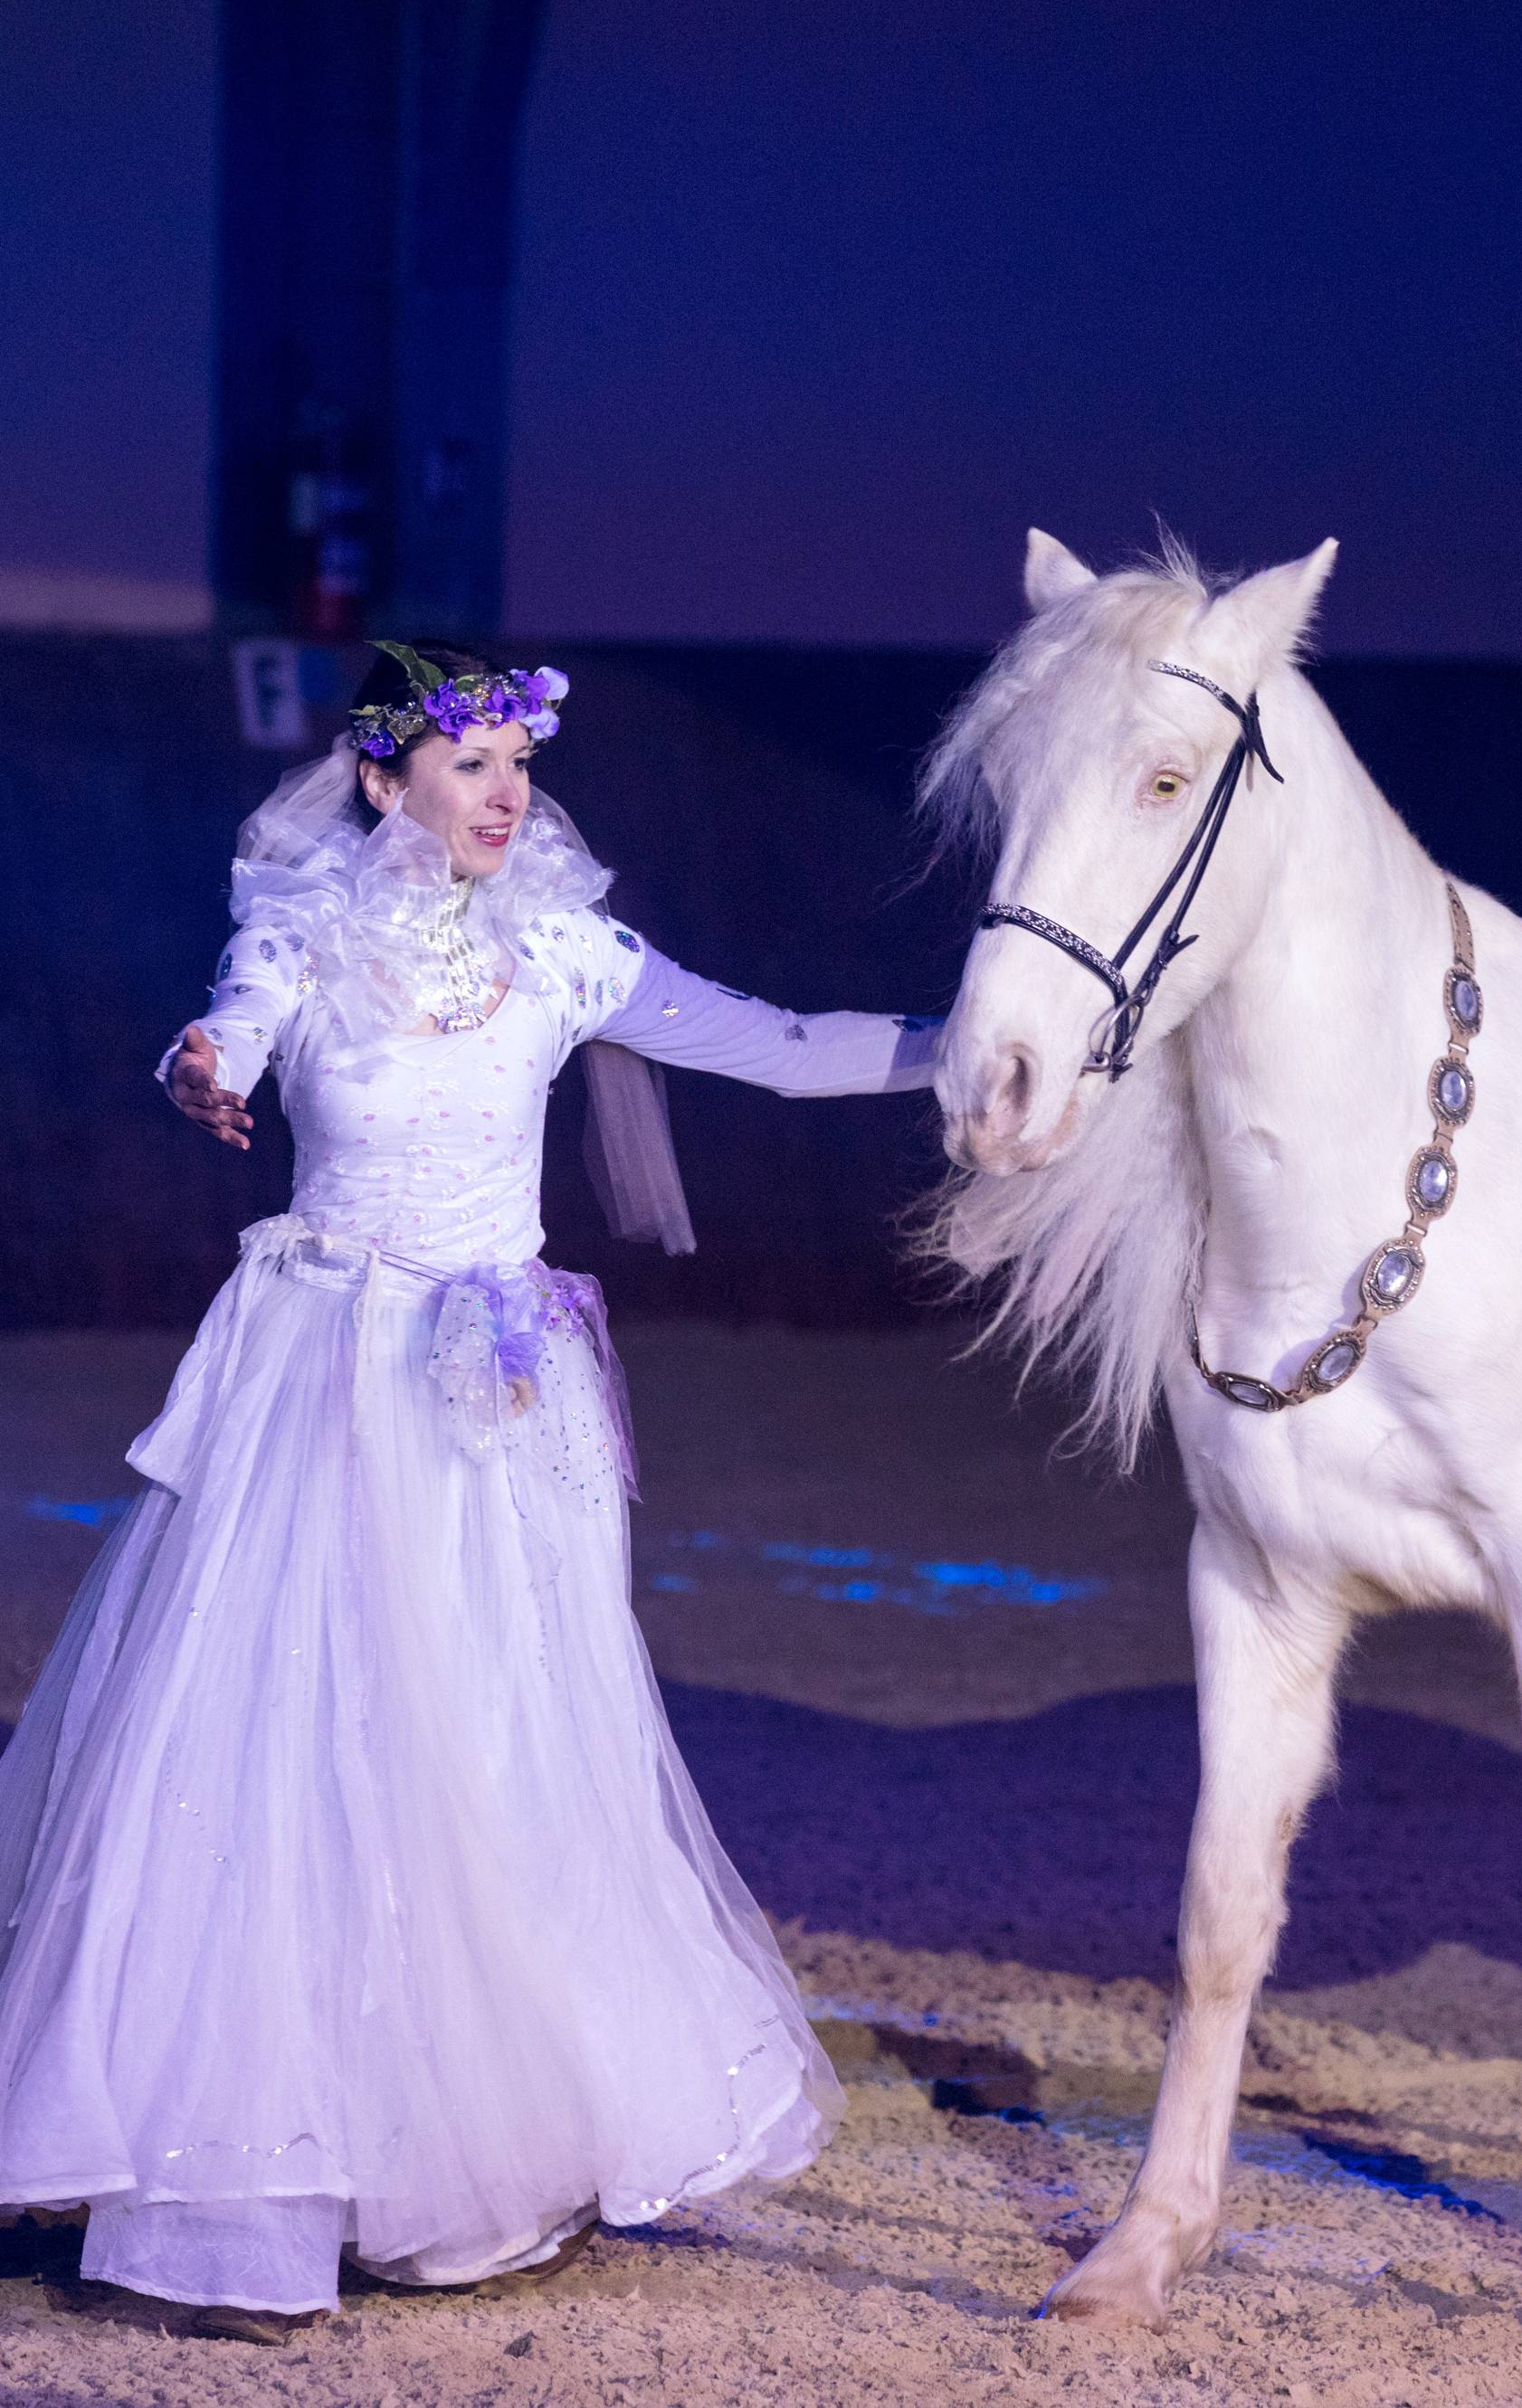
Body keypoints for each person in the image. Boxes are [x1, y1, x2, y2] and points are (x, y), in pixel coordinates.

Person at [0, 642, 937, 2343]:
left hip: (495, 1400)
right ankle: (263, 2149)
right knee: (293, 1739)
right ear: (384, 780)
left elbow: (780, 1045)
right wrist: (202, 1067)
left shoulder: (565, 950)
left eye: (519, 761)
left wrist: (978, 1050)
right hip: (325, 1380)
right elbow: (228, 1029)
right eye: (472, 763)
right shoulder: (302, 931)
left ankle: (475, 2142)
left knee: (500, 1735)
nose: (508, 791)